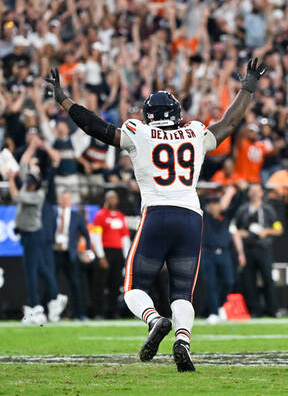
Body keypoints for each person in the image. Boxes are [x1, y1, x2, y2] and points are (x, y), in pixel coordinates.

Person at [45, 58, 268, 372]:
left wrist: (64, 100)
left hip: (157, 214)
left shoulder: (139, 133)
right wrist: (247, 87)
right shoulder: (193, 132)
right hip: (191, 217)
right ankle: (183, 340)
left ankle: (154, 319)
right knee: (182, 292)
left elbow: (96, 127)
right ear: (176, 114)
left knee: (134, 288)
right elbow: (229, 123)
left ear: (148, 117)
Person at [8, 162, 66, 325]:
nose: (27, 184)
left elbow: (15, 196)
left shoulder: (38, 194)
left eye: (29, 182)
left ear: (35, 185)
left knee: (31, 272)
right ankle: (55, 296)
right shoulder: (30, 190)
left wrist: (11, 178)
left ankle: (35, 307)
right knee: (40, 269)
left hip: (33, 236)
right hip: (29, 235)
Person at [233, 184, 283, 317]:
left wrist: (266, 231)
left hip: (263, 249)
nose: (255, 193)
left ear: (262, 193)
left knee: (268, 279)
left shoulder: (268, 209)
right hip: (247, 249)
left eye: (257, 191)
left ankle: (272, 309)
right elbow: (235, 230)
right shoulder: (243, 210)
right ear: (248, 193)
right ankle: (255, 310)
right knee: (249, 281)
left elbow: (279, 229)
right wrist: (241, 234)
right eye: (252, 191)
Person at [201, 186, 245, 324]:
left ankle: (220, 306)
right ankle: (214, 312)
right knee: (211, 283)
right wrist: (201, 192)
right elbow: (197, 204)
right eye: (210, 204)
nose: (213, 207)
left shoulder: (226, 216)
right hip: (207, 252)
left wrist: (241, 191)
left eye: (215, 204)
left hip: (224, 252)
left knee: (229, 281)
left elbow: (237, 204)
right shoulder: (205, 217)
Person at [52, 191, 91, 320]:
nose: (65, 201)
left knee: (75, 284)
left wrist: (87, 251)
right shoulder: (52, 214)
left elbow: (86, 233)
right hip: (54, 253)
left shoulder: (76, 216)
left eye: (67, 199)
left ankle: (79, 313)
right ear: (58, 200)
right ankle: (48, 312)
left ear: (71, 201)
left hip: (70, 254)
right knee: (50, 283)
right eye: (63, 198)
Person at [92, 191, 131, 318]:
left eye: (115, 198)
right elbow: (96, 236)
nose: (113, 200)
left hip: (118, 253)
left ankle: (114, 311)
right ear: (106, 200)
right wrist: (101, 256)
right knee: (101, 284)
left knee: (115, 284)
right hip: (105, 251)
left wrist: (126, 256)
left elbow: (125, 238)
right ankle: (99, 312)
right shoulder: (100, 215)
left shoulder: (120, 216)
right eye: (111, 198)